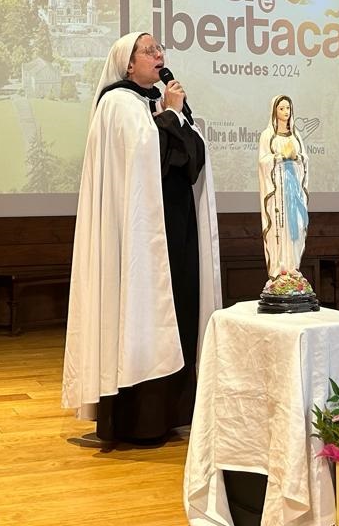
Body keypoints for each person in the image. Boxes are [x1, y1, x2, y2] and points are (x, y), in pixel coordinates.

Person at [61, 31, 221, 446]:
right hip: (139, 238)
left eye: (159, 50)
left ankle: (173, 412)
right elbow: (145, 155)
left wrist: (176, 116)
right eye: (148, 50)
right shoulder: (117, 103)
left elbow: (191, 157)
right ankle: (139, 419)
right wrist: (169, 117)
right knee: (142, 316)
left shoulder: (161, 103)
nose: (158, 55)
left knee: (180, 312)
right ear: (128, 64)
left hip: (176, 230)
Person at [258, 94, 309, 278]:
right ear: (275, 111)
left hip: (293, 188)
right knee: (279, 228)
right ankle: (280, 269)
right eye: (282, 108)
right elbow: (263, 161)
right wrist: (279, 157)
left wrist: (296, 157)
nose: (285, 112)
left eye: (288, 108)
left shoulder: (296, 135)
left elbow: (305, 158)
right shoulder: (267, 135)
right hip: (277, 191)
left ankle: (292, 266)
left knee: (295, 223)